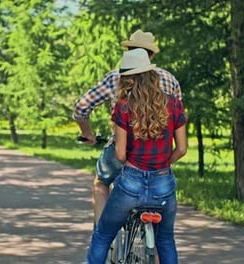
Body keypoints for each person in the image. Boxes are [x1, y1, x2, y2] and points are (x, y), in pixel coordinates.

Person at [86, 48, 187, 264]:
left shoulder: (123, 107)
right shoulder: (174, 104)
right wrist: (161, 164)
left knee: (103, 235)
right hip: (163, 185)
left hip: (131, 184)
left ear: (128, 79)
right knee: (166, 241)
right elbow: (182, 149)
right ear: (151, 74)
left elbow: (121, 154)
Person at [73, 29, 182, 227]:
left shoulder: (115, 77)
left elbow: (81, 107)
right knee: (162, 233)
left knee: (101, 182)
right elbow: (177, 120)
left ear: (129, 51)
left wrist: (86, 133)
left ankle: (103, 234)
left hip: (122, 151)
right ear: (152, 55)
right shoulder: (169, 79)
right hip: (158, 155)